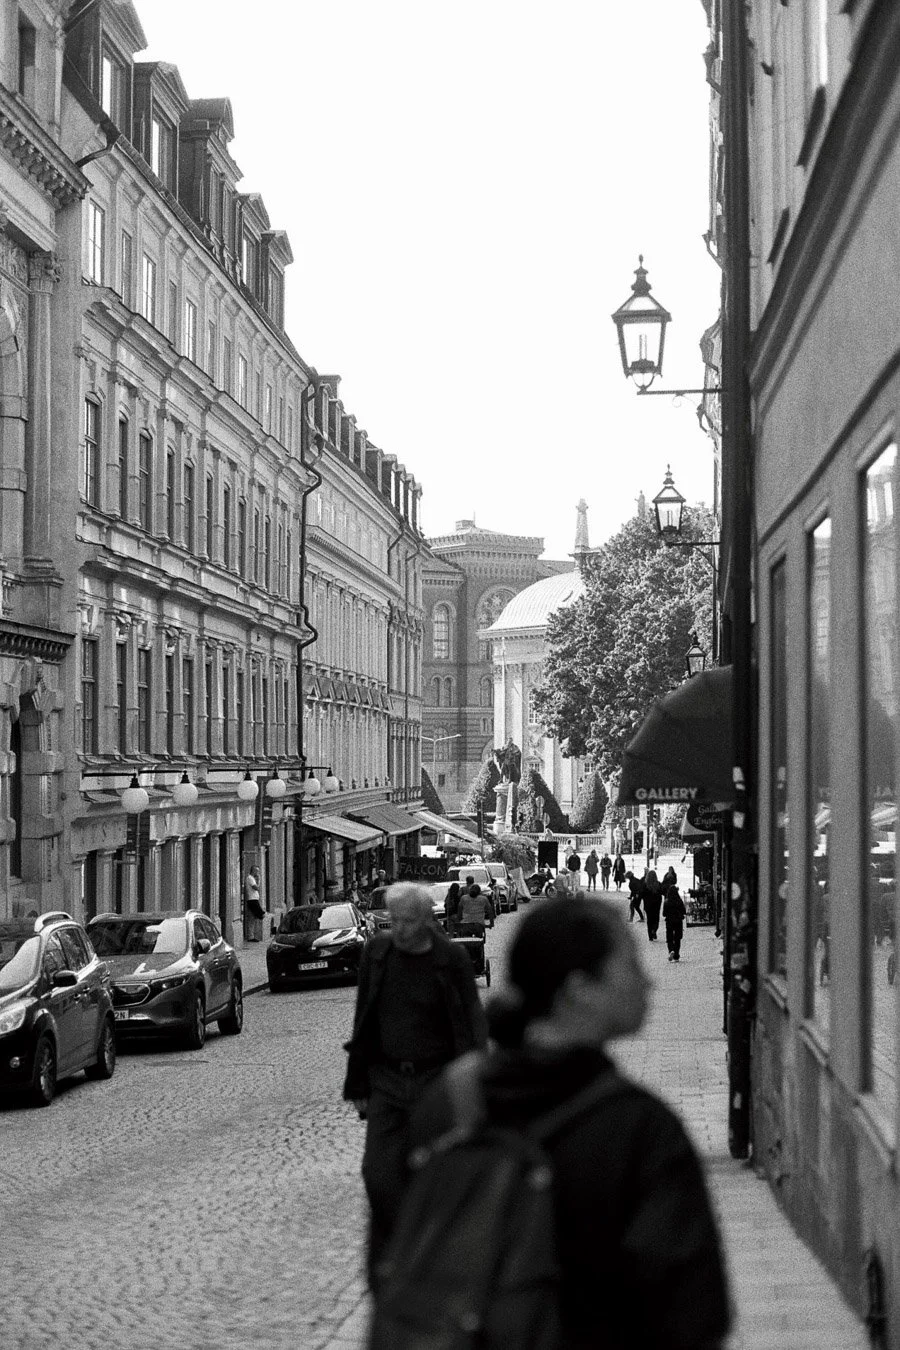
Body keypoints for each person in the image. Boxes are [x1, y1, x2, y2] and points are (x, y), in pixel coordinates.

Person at [412, 896, 731, 1349]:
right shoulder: (640, 1129)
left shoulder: (449, 1100)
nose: (648, 982)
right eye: (631, 964)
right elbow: (693, 1313)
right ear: (580, 988)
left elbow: (400, 1255)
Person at [343, 883, 488, 1286]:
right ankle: (400, 1244)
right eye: (394, 920)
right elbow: (363, 1018)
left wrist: (477, 1084)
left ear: (426, 920)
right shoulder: (377, 954)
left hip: (436, 1080)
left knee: (436, 1170)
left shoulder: (451, 959)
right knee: (377, 1172)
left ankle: (428, 1254)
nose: (400, 929)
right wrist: (358, 1084)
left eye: (408, 921)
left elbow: (473, 1023)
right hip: (387, 1080)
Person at [664, 883, 687, 962]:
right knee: (677, 938)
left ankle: (671, 950)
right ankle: (676, 955)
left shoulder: (666, 902)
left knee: (669, 937)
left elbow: (664, 914)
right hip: (678, 921)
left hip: (669, 921)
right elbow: (684, 911)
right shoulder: (679, 901)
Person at [243, 864, 264, 941]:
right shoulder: (250, 878)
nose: (258, 873)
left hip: (254, 899)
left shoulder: (252, 878)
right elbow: (256, 888)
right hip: (252, 900)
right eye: (257, 871)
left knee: (254, 917)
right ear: (253, 871)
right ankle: (251, 936)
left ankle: (252, 936)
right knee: (260, 915)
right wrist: (259, 880)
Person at [642, 867, 663, 942]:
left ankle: (650, 935)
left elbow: (642, 894)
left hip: (648, 905)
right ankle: (654, 930)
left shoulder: (645, 885)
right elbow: (662, 892)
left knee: (649, 920)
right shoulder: (658, 884)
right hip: (656, 905)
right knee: (656, 919)